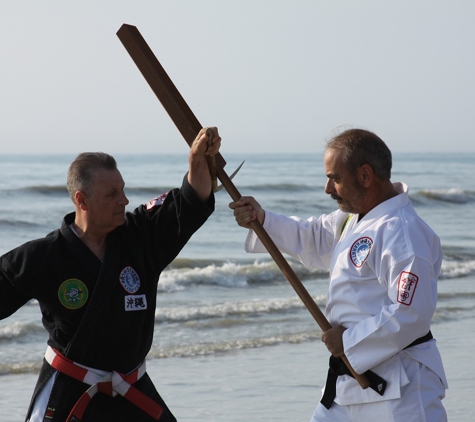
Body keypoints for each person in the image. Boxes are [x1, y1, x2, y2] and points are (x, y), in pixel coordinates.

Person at [0, 127, 221, 422]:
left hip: (132, 388)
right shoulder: (44, 256)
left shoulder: (141, 236)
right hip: (71, 391)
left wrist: (198, 160)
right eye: (112, 194)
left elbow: (191, 200)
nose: (125, 200)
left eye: (123, 190)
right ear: (82, 200)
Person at [229, 128, 448, 422]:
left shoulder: (402, 232)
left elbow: (410, 312)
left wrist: (349, 341)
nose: (328, 189)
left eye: (335, 178)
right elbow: (311, 237)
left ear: (365, 176)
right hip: (349, 385)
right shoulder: (350, 219)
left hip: (403, 386)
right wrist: (262, 219)